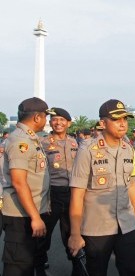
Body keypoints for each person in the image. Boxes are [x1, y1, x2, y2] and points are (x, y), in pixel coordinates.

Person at [67, 99, 135, 276]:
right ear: (103, 123)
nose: (123, 123)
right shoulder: (88, 150)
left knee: (133, 270)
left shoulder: (128, 149)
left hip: (126, 223)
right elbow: (77, 194)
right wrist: (75, 234)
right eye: (117, 119)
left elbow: (131, 184)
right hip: (97, 227)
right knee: (95, 271)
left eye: (125, 119)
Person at [2, 97, 51, 275]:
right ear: (37, 118)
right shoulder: (20, 141)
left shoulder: (31, 139)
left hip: (29, 211)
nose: (47, 120)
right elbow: (18, 181)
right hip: (21, 215)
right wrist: (35, 217)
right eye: (46, 116)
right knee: (18, 266)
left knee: (28, 263)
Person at [37, 107, 81, 275]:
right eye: (55, 120)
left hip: (72, 194)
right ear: (50, 123)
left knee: (71, 232)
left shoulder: (75, 143)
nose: (58, 123)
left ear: (68, 123)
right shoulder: (43, 143)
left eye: (62, 120)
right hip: (51, 193)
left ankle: (77, 267)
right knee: (43, 233)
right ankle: (40, 266)